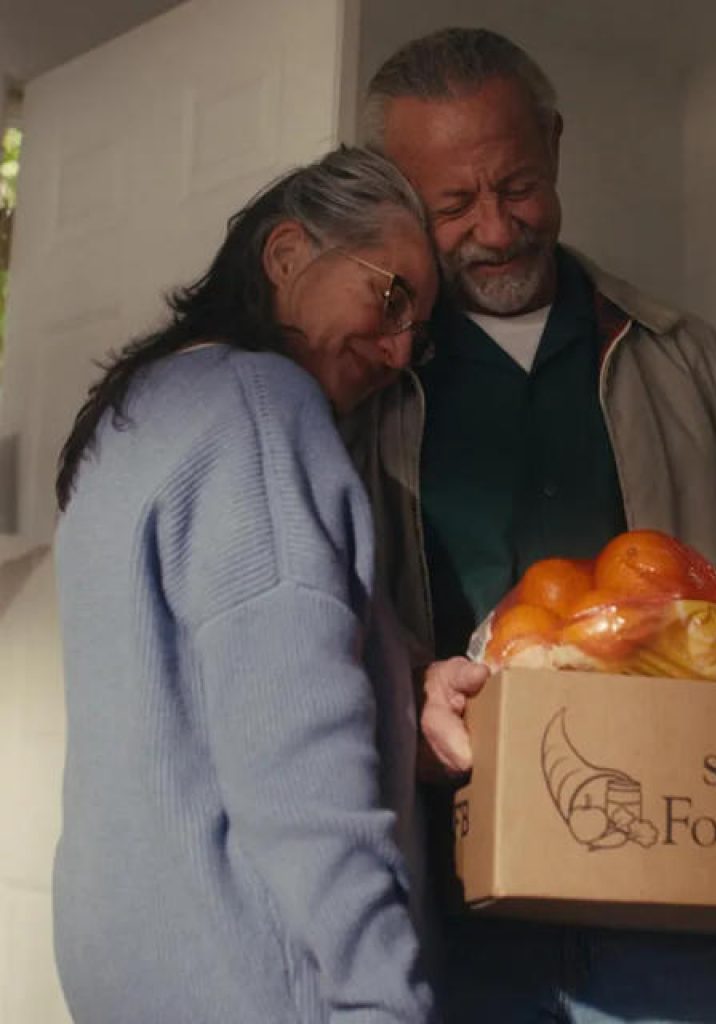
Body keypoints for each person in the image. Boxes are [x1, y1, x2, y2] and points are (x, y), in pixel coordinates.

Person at [351, 27, 716, 1024]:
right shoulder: (368, 382)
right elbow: (317, 624)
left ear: (555, 145)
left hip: (675, 892)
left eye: (518, 186)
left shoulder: (682, 357)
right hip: (439, 897)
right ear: (398, 200)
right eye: (453, 205)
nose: (495, 228)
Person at [53, 146, 441, 1024]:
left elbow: (192, 698)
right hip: (256, 978)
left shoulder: (138, 410)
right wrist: (383, 998)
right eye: (391, 297)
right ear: (288, 255)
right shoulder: (264, 407)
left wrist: (403, 688)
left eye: (419, 329)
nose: (399, 349)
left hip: (128, 971)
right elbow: (298, 751)